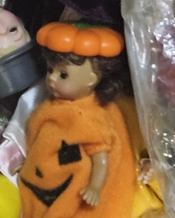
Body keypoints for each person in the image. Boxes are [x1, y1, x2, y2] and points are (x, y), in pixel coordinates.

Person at [18, 22, 136, 218]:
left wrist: (95, 187)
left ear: (91, 79)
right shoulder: (52, 105)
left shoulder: (89, 118)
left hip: (68, 184)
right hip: (38, 177)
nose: (52, 79)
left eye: (63, 75)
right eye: (50, 70)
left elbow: (101, 160)